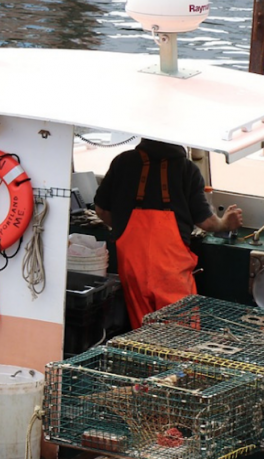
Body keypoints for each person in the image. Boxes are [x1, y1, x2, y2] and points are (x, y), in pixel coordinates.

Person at [94, 138, 243, 329]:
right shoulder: (186, 169)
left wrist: (123, 227)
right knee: (180, 336)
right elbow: (205, 221)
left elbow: (101, 210)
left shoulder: (123, 161)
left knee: (142, 333)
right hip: (170, 269)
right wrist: (224, 223)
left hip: (132, 265)